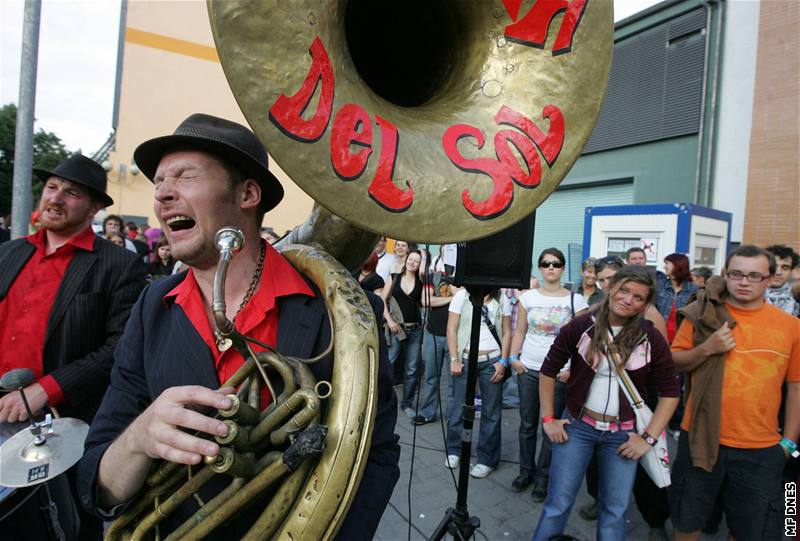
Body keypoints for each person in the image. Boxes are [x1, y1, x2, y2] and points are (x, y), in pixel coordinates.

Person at [77, 114, 400, 540]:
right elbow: (98, 486)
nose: (162, 196)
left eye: (184, 177)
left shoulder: (340, 310)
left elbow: (373, 456)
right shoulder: (151, 307)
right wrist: (138, 436)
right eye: (158, 183)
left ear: (248, 193)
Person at [0, 153, 147, 541]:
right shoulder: (9, 253)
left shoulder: (117, 264)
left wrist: (44, 389)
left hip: (61, 421)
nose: (56, 198)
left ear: (96, 206)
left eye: (72, 193)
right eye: (52, 187)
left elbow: (121, 346)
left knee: (61, 527)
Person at [533, 266, 679, 541]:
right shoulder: (581, 326)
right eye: (624, 290)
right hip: (578, 427)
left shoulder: (650, 338)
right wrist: (548, 419)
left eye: (638, 297)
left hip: (623, 436)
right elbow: (548, 370)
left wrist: (647, 438)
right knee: (557, 505)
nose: (628, 299)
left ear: (645, 304)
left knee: (614, 512)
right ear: (610, 288)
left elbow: (671, 393)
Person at [669, 245, 800, 541]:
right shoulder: (703, 315)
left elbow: (796, 388)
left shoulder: (791, 327)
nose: (744, 282)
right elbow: (674, 361)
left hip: (762, 448)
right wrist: (708, 348)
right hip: (701, 436)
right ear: (726, 275)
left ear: (769, 279)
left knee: (751, 528)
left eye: (754, 276)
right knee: (687, 519)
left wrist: (789, 445)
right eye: (737, 274)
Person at [507, 248, 588, 500]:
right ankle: (525, 472)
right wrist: (513, 358)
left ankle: (544, 477)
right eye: (545, 264)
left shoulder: (577, 302)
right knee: (527, 424)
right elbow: (519, 330)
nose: (550, 267)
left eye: (556, 264)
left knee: (549, 426)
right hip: (528, 369)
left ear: (562, 268)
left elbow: (585, 342)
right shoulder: (528, 298)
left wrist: (572, 369)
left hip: (559, 373)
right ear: (539, 268)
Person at [445, 288, 505, 478]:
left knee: (491, 412)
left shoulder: (501, 298)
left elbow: (508, 331)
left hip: (492, 360)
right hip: (465, 359)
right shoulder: (462, 296)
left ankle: (487, 458)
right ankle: (455, 450)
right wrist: (454, 359)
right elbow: (451, 328)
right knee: (458, 407)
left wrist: (503, 361)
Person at [413, 248, 455, 425]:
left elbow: (463, 296)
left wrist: (449, 295)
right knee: (430, 376)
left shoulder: (461, 277)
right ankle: (427, 412)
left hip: (455, 336)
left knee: (455, 380)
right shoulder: (433, 276)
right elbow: (426, 301)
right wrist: (452, 299)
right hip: (433, 333)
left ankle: (453, 416)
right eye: (447, 248)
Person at [382, 250, 424, 417]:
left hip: (415, 330)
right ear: (406, 259)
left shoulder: (421, 282)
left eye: (417, 261)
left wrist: (425, 260)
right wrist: (390, 321)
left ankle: (406, 403)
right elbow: (382, 300)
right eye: (411, 258)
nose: (412, 262)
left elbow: (422, 303)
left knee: (412, 368)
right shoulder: (394, 277)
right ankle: (381, 399)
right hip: (397, 329)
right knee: (389, 363)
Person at [655, 253, 698, 343]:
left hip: (682, 339)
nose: (664, 267)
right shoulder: (659, 285)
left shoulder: (694, 290)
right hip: (660, 337)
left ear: (677, 265)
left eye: (667, 263)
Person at [765, 244, 800, 316]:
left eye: (785, 267)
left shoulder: (797, 301)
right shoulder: (747, 297)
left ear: (791, 271)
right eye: (773, 266)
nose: (778, 272)